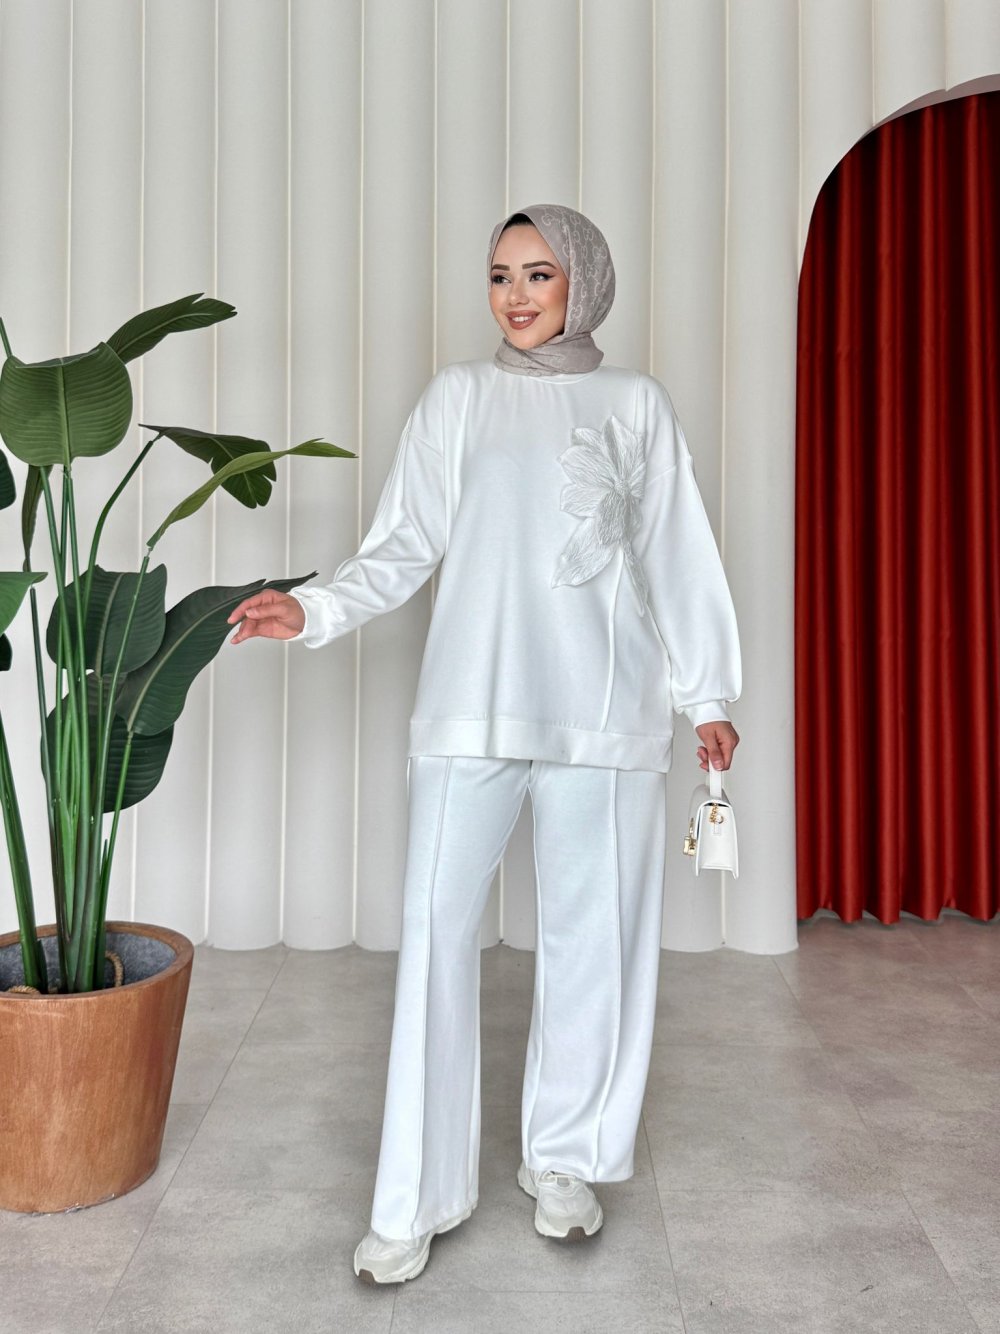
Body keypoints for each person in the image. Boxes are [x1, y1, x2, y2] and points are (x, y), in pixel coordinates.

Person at [227, 203, 741, 1285]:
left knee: (593, 941)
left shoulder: (636, 404)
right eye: (501, 274)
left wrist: (706, 695)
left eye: (539, 273)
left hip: (605, 710)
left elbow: (676, 553)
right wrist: (314, 609)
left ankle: (564, 1160)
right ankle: (412, 1198)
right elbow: (402, 543)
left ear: (583, 281)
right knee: (433, 933)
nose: (516, 295)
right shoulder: (457, 398)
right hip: (472, 701)